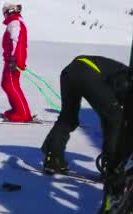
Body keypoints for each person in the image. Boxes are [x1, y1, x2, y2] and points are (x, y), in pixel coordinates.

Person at [40, 56, 132, 211]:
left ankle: (52, 159)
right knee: (115, 118)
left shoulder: (121, 71)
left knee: (68, 117)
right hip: (88, 73)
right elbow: (114, 116)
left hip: (70, 71)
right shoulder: (127, 77)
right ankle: (111, 168)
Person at [1, 2, 33, 122]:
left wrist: (14, 59)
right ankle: (17, 110)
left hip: (14, 60)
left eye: (4, 11)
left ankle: (24, 114)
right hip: (11, 59)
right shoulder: (14, 22)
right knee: (7, 84)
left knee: (11, 85)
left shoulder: (14, 23)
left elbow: (16, 40)